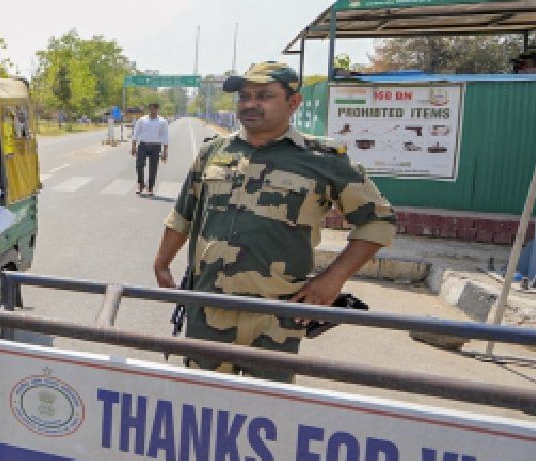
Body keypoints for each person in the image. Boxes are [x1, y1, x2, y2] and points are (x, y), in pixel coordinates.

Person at [150, 62, 396, 383]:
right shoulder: (213, 152)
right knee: (203, 408)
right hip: (208, 308)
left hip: (277, 317)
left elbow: (378, 221)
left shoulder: (322, 160)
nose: (250, 104)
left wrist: (332, 280)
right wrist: (162, 262)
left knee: (265, 414)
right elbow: (184, 214)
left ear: (293, 103)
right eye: (244, 96)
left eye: (264, 96)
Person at [131, 102, 169, 196]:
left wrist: (165, 152)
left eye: (155, 109)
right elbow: (136, 133)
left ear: (157, 110)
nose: (153, 111)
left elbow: (165, 136)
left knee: (153, 167)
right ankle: (141, 184)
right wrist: (133, 146)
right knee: (139, 165)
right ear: (149, 109)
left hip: (156, 146)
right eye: (151, 109)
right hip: (143, 145)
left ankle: (150, 187)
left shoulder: (162, 121)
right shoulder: (142, 120)